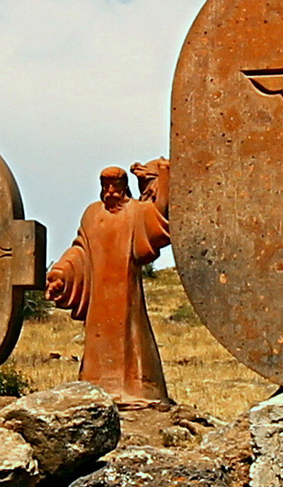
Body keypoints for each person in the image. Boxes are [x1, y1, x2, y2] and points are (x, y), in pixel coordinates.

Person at [45, 160, 172, 406]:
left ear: (124, 187)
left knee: (132, 336)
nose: (111, 192)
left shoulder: (137, 211)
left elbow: (158, 215)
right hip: (99, 296)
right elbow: (80, 249)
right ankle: (96, 389)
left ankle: (139, 389)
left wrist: (165, 176)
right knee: (99, 338)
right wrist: (60, 272)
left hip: (127, 292)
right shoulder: (92, 214)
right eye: (106, 186)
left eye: (116, 186)